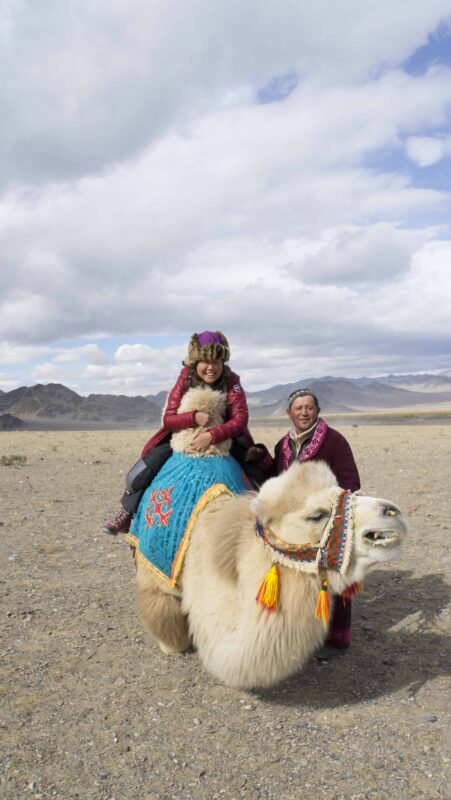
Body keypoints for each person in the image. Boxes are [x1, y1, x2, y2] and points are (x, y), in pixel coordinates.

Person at [104, 330, 270, 534]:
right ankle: (126, 513)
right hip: (182, 436)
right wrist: (193, 418)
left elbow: (240, 419)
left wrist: (212, 435)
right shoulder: (185, 378)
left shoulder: (231, 381)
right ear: (195, 361)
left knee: (256, 474)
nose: (211, 367)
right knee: (145, 469)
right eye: (205, 361)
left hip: (226, 437)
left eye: (216, 361)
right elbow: (169, 419)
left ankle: (267, 523)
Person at [274, 387, 361, 654]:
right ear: (289, 413)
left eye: (309, 407)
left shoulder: (334, 441)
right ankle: (306, 634)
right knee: (301, 582)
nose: (304, 412)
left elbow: (350, 482)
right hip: (298, 527)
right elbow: (277, 479)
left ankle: (337, 637)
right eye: (298, 408)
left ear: (318, 411)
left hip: (328, 521)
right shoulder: (282, 446)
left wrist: (327, 509)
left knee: (336, 575)